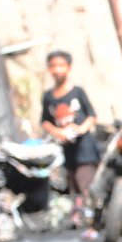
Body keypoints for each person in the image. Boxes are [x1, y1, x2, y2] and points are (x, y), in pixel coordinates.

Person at [40, 50, 100, 232]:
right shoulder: (48, 97)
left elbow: (91, 116)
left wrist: (80, 129)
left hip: (85, 148)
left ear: (68, 68)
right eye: (53, 66)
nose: (57, 70)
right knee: (74, 185)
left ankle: (94, 222)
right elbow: (44, 121)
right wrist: (59, 132)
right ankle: (85, 219)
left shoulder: (77, 92)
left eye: (61, 66)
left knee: (87, 184)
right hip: (68, 149)